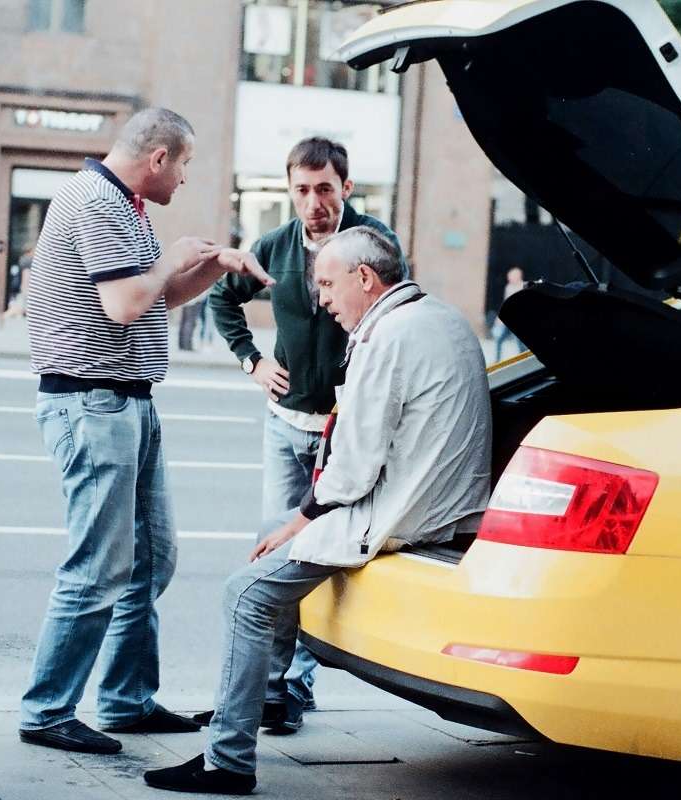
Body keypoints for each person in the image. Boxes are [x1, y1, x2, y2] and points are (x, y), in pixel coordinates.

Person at [144, 227, 492, 795]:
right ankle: (272, 699)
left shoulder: (389, 340)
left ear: (365, 278)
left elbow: (352, 469)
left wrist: (297, 523)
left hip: (397, 515)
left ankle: (227, 761)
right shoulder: (443, 318)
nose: (323, 299)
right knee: (267, 583)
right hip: (438, 507)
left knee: (245, 594)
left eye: (328, 285)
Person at [19, 107, 274, 756]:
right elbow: (126, 302)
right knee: (98, 566)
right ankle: (47, 710)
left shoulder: (123, 204)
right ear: (158, 157)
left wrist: (215, 265)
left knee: (150, 559)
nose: (186, 178)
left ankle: (125, 700)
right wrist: (172, 259)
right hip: (92, 405)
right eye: (185, 163)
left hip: (128, 402)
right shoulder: (96, 203)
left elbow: (156, 298)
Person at [206, 136, 406, 732]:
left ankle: (294, 684)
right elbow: (222, 301)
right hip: (282, 426)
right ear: (289, 191)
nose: (313, 201)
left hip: (341, 434)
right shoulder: (274, 247)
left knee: (314, 555)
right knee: (276, 550)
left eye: (324, 188)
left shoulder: (375, 246)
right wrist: (252, 361)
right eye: (301, 190)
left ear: (346, 186)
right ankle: (271, 689)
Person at [491, 266, 527, 361]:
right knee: (499, 339)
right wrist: (499, 318)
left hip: (518, 319)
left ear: (518, 276)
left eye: (511, 276)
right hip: (508, 319)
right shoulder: (509, 287)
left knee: (520, 342)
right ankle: (497, 360)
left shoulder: (523, 286)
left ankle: (523, 360)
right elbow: (505, 303)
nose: (509, 279)